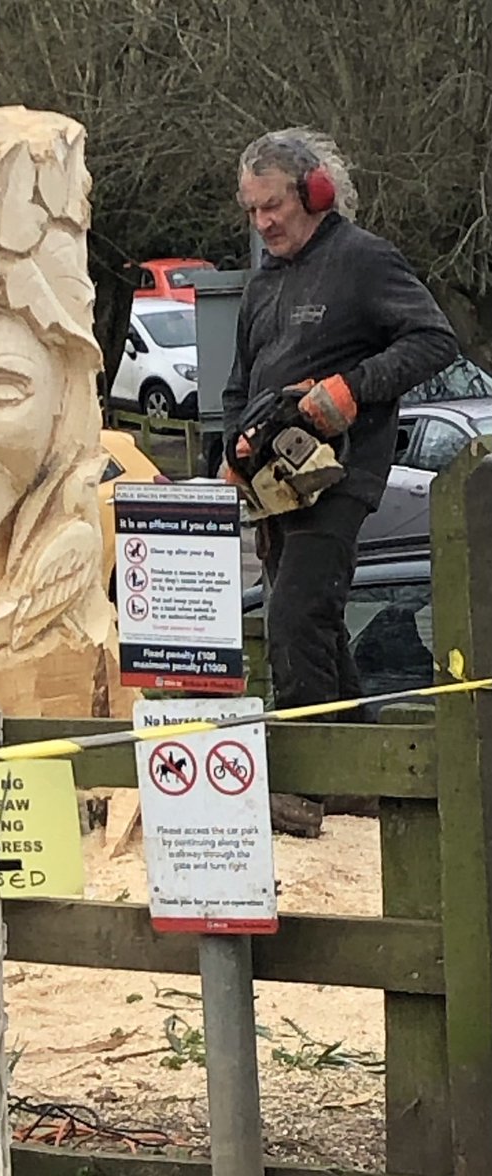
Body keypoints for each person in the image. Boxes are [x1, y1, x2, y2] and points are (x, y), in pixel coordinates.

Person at [222, 127, 458, 835]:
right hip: (273, 483)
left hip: (339, 473)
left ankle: (302, 788)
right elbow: (240, 385)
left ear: (314, 192)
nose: (263, 222)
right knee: (314, 623)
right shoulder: (263, 281)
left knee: (293, 615)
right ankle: (359, 775)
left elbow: (433, 340)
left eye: (273, 207)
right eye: (252, 210)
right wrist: (233, 456)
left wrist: (350, 391)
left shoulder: (362, 260)